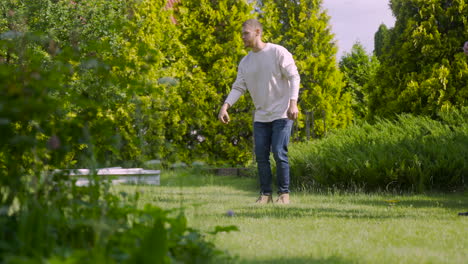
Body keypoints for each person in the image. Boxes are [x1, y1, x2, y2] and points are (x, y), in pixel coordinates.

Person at [218, 19, 300, 204]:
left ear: (257, 32)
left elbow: (294, 76)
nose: (242, 37)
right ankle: (265, 195)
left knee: (279, 152)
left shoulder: (277, 52)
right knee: (261, 157)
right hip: (261, 116)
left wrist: (293, 104)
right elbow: (238, 87)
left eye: (246, 33)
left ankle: (284, 195)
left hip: (282, 113)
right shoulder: (245, 62)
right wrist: (225, 106)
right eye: (242, 33)